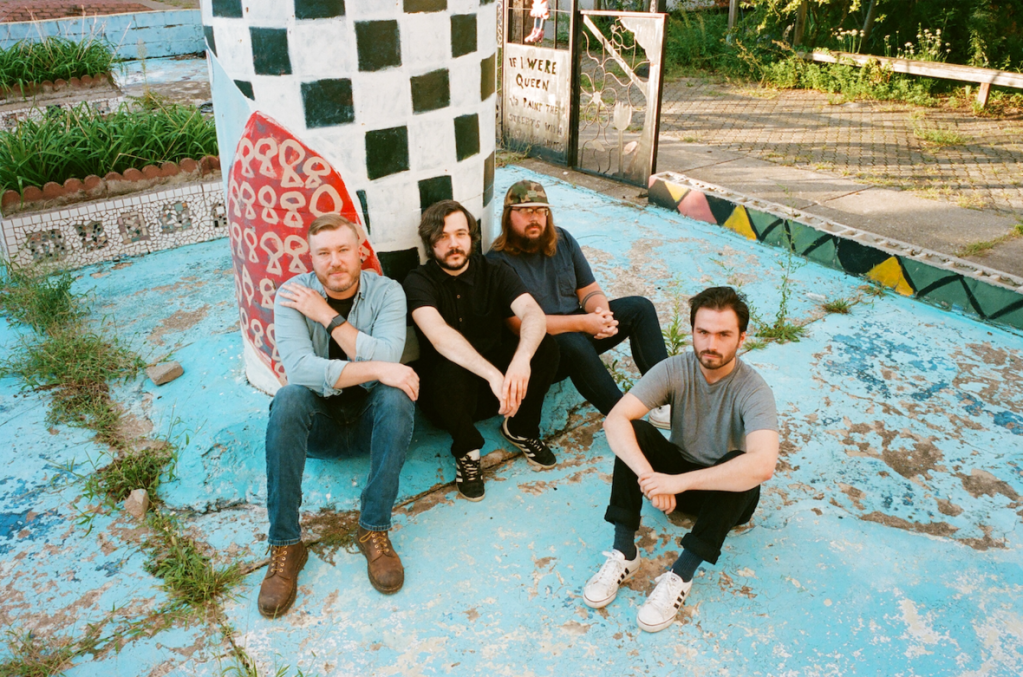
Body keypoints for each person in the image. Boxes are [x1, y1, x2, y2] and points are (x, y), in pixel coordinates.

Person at [582, 286, 779, 633]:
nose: (711, 344)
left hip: (723, 499)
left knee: (742, 463)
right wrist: (650, 477)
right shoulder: (674, 369)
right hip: (674, 480)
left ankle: (680, 575)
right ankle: (624, 552)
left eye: (723, 334)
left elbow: (763, 464)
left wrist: (676, 483)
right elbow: (614, 420)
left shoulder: (753, 389)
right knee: (634, 430)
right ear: (692, 331)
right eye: (703, 332)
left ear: (742, 338)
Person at [259, 213, 418, 618]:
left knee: (396, 396)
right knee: (288, 398)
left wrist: (328, 317)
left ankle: (373, 528)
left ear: (360, 251)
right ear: (311, 258)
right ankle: (285, 544)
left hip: (370, 423)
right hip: (319, 426)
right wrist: (377, 367)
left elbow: (390, 355)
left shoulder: (387, 292)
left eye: (343, 250)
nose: (335, 262)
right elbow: (300, 370)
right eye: (324, 253)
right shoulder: (292, 294)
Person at [404, 199, 560, 502]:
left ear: (471, 237)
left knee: (545, 346)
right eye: (443, 236)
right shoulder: (418, 281)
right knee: (447, 369)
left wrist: (521, 360)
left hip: (502, 394)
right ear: (430, 243)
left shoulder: (494, 270)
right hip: (450, 400)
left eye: (460, 234)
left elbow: (533, 313)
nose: (453, 244)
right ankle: (467, 451)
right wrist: (492, 374)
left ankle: (521, 428)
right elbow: (439, 336)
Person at [487, 180, 670, 425]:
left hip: (580, 331)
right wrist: (584, 323)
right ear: (508, 216)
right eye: (525, 211)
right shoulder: (497, 262)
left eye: (541, 211)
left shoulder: (562, 240)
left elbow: (589, 290)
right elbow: (517, 325)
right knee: (572, 342)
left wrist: (602, 316)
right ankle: (626, 421)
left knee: (640, 307)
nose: (534, 218)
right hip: (544, 352)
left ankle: (668, 400)